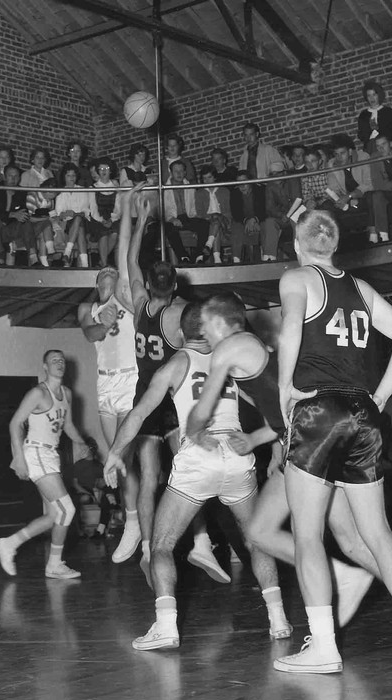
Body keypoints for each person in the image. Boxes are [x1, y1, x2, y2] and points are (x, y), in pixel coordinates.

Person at [186, 292, 392, 654]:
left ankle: (340, 583)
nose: (203, 334)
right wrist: (256, 438)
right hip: (322, 435)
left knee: (266, 531)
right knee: (353, 539)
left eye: (204, 325)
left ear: (220, 322)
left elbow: (201, 411)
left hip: (310, 443)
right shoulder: (257, 349)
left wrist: (191, 431)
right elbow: (280, 412)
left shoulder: (229, 347)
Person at [273, 210, 392, 672]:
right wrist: (382, 396)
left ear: (297, 244)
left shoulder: (296, 278)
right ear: (335, 245)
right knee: (379, 533)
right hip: (364, 414)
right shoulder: (361, 289)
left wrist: (284, 387)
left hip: (319, 411)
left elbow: (291, 329)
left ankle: (325, 649)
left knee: (307, 535)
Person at [104, 301, 292, 650]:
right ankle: (278, 617)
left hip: (199, 455)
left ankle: (165, 626)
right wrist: (275, 448)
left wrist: (115, 453)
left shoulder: (176, 364)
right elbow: (273, 406)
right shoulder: (232, 358)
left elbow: (139, 413)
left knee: (161, 545)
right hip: (236, 456)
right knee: (256, 540)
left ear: (180, 333)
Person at [123, 186, 224, 584]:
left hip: (145, 399)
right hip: (174, 401)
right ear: (176, 285)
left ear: (148, 283)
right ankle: (200, 544)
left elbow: (130, 258)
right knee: (189, 473)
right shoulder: (181, 313)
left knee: (150, 479)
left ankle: (150, 548)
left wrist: (141, 218)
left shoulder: (138, 305)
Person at [0, 350, 89, 579]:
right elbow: (15, 423)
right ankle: (54, 564)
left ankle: (9, 543)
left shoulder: (66, 393)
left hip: (51, 455)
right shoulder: (37, 393)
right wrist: (18, 458)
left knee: (54, 516)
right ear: (45, 367)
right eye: (53, 360)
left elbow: (67, 425)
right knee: (67, 509)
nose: (59, 363)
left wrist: (83, 444)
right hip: (35, 452)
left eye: (62, 360)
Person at [77, 232, 140, 564]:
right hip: (105, 384)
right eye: (105, 274)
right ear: (98, 281)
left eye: (114, 274)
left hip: (130, 380)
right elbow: (90, 333)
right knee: (114, 459)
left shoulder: (128, 302)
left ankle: (133, 521)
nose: (110, 275)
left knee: (121, 456)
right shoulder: (88, 307)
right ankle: (131, 515)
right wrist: (104, 322)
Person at [357, 81, 392, 154]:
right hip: (371, 149)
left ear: (379, 95)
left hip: (387, 148)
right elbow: (362, 135)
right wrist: (371, 132)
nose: (372, 98)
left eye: (374, 94)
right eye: (369, 95)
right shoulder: (363, 115)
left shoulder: (388, 112)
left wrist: (378, 129)